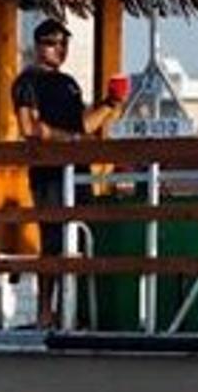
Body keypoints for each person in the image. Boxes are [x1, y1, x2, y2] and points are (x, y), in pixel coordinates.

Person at [12, 17, 127, 328]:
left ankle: (71, 308)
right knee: (51, 242)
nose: (59, 48)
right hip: (48, 173)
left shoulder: (69, 83)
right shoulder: (27, 81)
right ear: (37, 47)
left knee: (76, 239)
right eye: (51, 42)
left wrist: (110, 103)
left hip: (77, 171)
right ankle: (44, 312)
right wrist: (69, 139)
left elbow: (83, 125)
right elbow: (29, 128)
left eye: (63, 43)